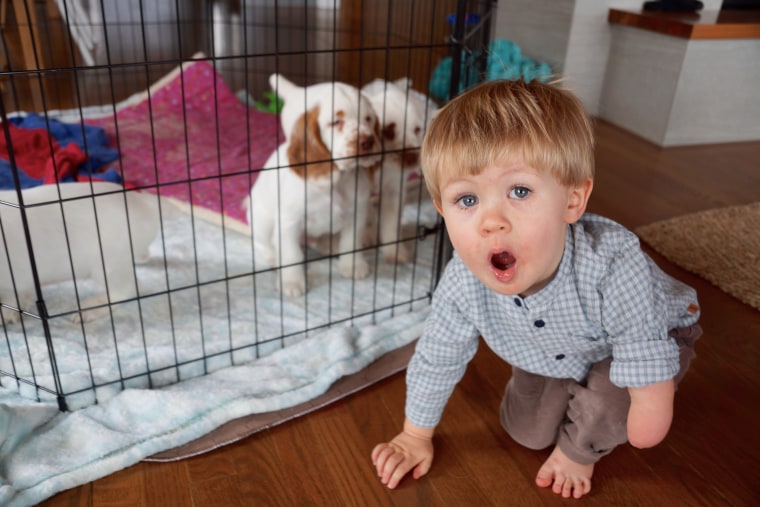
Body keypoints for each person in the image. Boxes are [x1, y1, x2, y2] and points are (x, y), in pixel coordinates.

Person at [370, 79, 701, 499]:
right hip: (552, 346)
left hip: (648, 337)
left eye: (520, 191)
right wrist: (414, 434)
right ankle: (565, 387)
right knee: (525, 433)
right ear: (442, 209)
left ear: (572, 201)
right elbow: (438, 356)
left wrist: (651, 402)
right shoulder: (462, 282)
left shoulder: (613, 263)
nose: (491, 221)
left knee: (611, 406)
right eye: (466, 200)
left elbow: (641, 342)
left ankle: (582, 450)